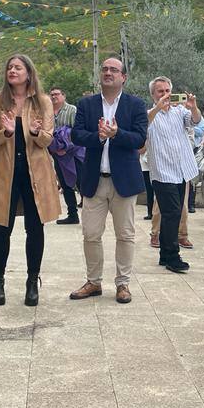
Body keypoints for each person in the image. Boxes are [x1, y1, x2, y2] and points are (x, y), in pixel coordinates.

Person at [0, 55, 60, 307]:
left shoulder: (43, 102)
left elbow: (47, 140)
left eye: (18, 67)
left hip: (35, 172)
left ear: (29, 72)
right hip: (5, 173)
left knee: (35, 228)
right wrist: (6, 132)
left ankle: (32, 281)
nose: (12, 71)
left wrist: (36, 132)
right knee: (1, 228)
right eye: (9, 67)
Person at [70, 56, 148, 304]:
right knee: (91, 234)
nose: (108, 73)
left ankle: (123, 284)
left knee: (125, 234)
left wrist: (116, 134)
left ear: (123, 77)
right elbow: (76, 135)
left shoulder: (136, 105)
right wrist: (100, 137)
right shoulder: (86, 104)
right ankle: (94, 282)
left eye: (114, 70)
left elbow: (139, 139)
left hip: (123, 181)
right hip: (94, 180)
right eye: (104, 69)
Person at [145, 77, 201, 273]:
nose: (165, 94)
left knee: (174, 213)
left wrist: (192, 107)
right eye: (160, 91)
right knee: (171, 214)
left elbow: (195, 121)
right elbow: (143, 127)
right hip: (162, 172)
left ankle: (164, 255)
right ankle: (172, 256)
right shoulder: (149, 115)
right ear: (153, 95)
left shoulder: (180, 111)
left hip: (182, 170)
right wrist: (158, 108)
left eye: (168, 90)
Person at [49, 87, 80, 224]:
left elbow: (77, 132)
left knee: (80, 182)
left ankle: (92, 214)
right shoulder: (47, 111)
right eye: (52, 95)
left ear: (64, 96)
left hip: (73, 154)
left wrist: (67, 148)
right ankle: (72, 214)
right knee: (65, 184)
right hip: (57, 154)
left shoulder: (72, 110)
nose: (54, 97)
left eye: (57, 94)